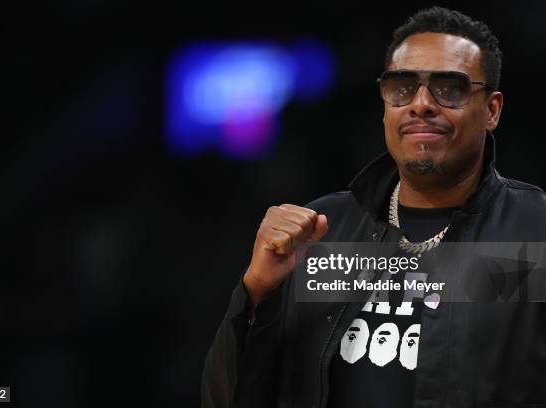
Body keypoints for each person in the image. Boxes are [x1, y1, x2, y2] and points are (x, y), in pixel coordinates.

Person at [201, 7, 546, 408]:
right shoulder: (321, 234)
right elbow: (228, 398)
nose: (421, 104)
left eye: (449, 88)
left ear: (491, 110)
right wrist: (255, 295)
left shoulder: (534, 233)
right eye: (402, 87)